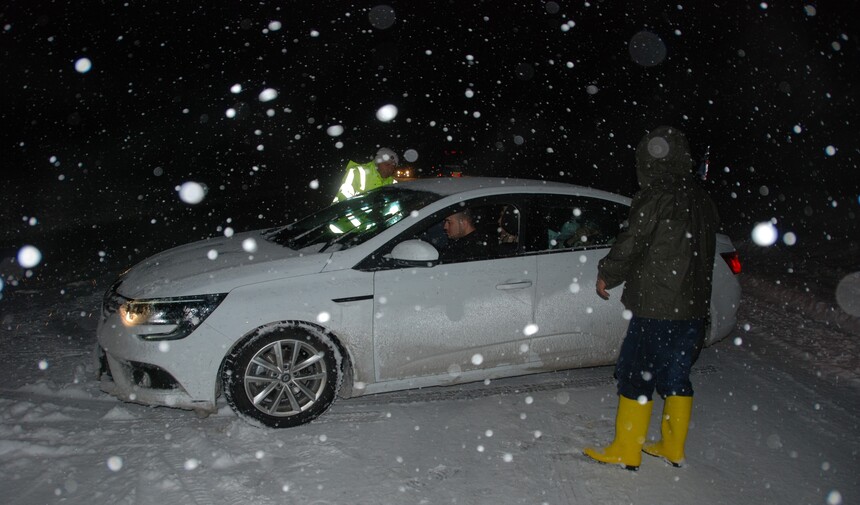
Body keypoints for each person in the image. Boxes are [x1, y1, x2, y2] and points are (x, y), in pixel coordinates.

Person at [583, 126, 720, 471]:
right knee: (677, 375)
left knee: (636, 373)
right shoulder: (702, 199)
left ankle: (626, 448)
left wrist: (607, 273)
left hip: (657, 305)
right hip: (691, 307)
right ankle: (673, 447)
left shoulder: (656, 195)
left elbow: (633, 241)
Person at [332, 147, 399, 203]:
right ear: (378, 162)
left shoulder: (393, 183)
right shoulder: (358, 172)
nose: (390, 169)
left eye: (393, 166)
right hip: (340, 217)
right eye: (387, 164)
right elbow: (344, 201)